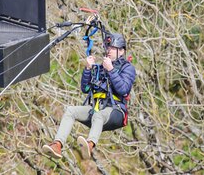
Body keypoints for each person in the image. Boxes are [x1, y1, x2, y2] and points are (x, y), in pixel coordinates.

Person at [42, 32, 136, 160]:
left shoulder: (127, 68)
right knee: (71, 111)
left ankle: (90, 145)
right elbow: (85, 88)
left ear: (122, 51)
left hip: (116, 111)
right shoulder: (101, 68)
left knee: (98, 115)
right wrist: (87, 69)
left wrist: (111, 70)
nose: (109, 50)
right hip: (98, 109)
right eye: (108, 47)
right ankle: (57, 144)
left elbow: (123, 89)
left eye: (113, 48)